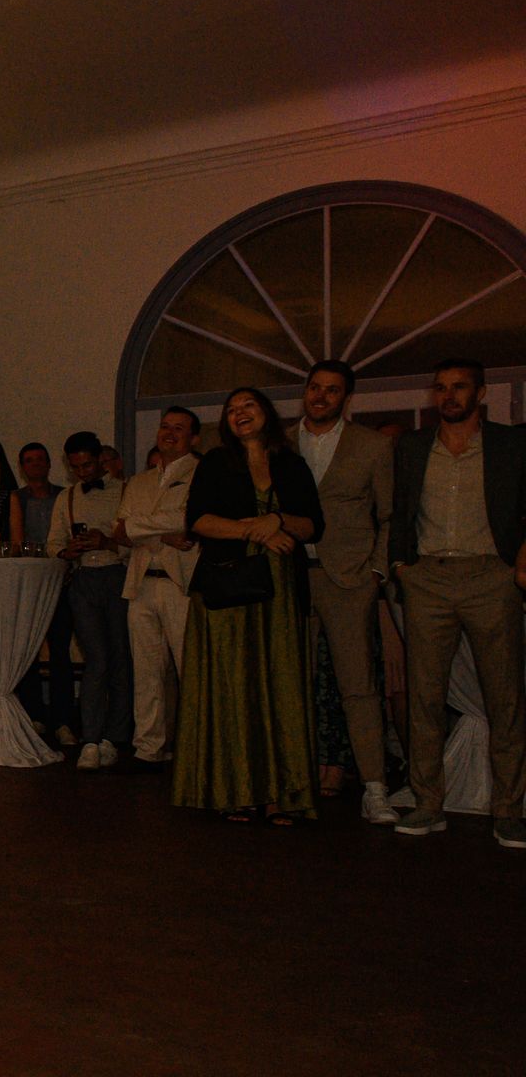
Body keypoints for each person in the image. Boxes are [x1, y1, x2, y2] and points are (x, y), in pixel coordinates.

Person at [387, 359, 526, 848]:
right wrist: (402, 568)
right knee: (424, 696)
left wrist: (519, 561)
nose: (448, 395)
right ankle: (428, 805)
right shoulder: (412, 445)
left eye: (459, 387)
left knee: (505, 697)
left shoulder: (511, 443)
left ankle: (509, 810)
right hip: (428, 577)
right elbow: (398, 509)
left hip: (492, 575)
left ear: (481, 393)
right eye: (441, 388)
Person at [173, 388, 324, 824]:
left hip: (279, 588)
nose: (240, 414)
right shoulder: (217, 463)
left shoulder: (292, 463)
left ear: (267, 414)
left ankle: (283, 792)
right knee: (232, 686)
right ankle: (235, 789)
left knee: (280, 686)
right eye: (232, 410)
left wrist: (276, 521)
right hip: (227, 586)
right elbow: (198, 521)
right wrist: (255, 531)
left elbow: (313, 524)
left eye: (248, 407)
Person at [287, 360, 396, 820]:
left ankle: (375, 788)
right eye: (315, 387)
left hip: (348, 579)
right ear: (305, 391)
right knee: (291, 683)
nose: (321, 396)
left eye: (332, 391)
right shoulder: (279, 444)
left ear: (345, 398)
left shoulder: (371, 446)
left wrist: (376, 573)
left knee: (359, 688)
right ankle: (294, 782)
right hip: (289, 575)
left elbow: (388, 515)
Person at [112, 407, 200, 772]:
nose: (170, 433)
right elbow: (120, 531)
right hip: (142, 583)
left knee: (188, 668)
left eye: (179, 429)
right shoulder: (139, 482)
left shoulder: (201, 474)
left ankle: (196, 748)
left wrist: (140, 526)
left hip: (181, 585)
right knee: (146, 671)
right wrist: (163, 532)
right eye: (165, 426)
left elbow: (189, 519)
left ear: (193, 438)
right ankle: (148, 747)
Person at [47, 431, 132, 770]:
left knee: (121, 658)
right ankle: (91, 739)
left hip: (118, 576)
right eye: (76, 467)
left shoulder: (124, 491)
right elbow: (53, 543)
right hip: (83, 578)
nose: (82, 472)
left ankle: (116, 736)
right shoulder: (66, 498)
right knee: (96, 658)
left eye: (87, 464)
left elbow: (138, 542)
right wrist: (68, 550)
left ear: (101, 460)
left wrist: (106, 542)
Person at [14, 441, 75, 744]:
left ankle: (64, 719)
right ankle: (34, 715)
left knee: (60, 653)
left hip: (60, 584)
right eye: (29, 460)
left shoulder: (65, 497)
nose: (35, 464)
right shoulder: (16, 500)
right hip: (27, 587)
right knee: (28, 654)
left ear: (50, 464)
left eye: (41, 459)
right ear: (22, 468)